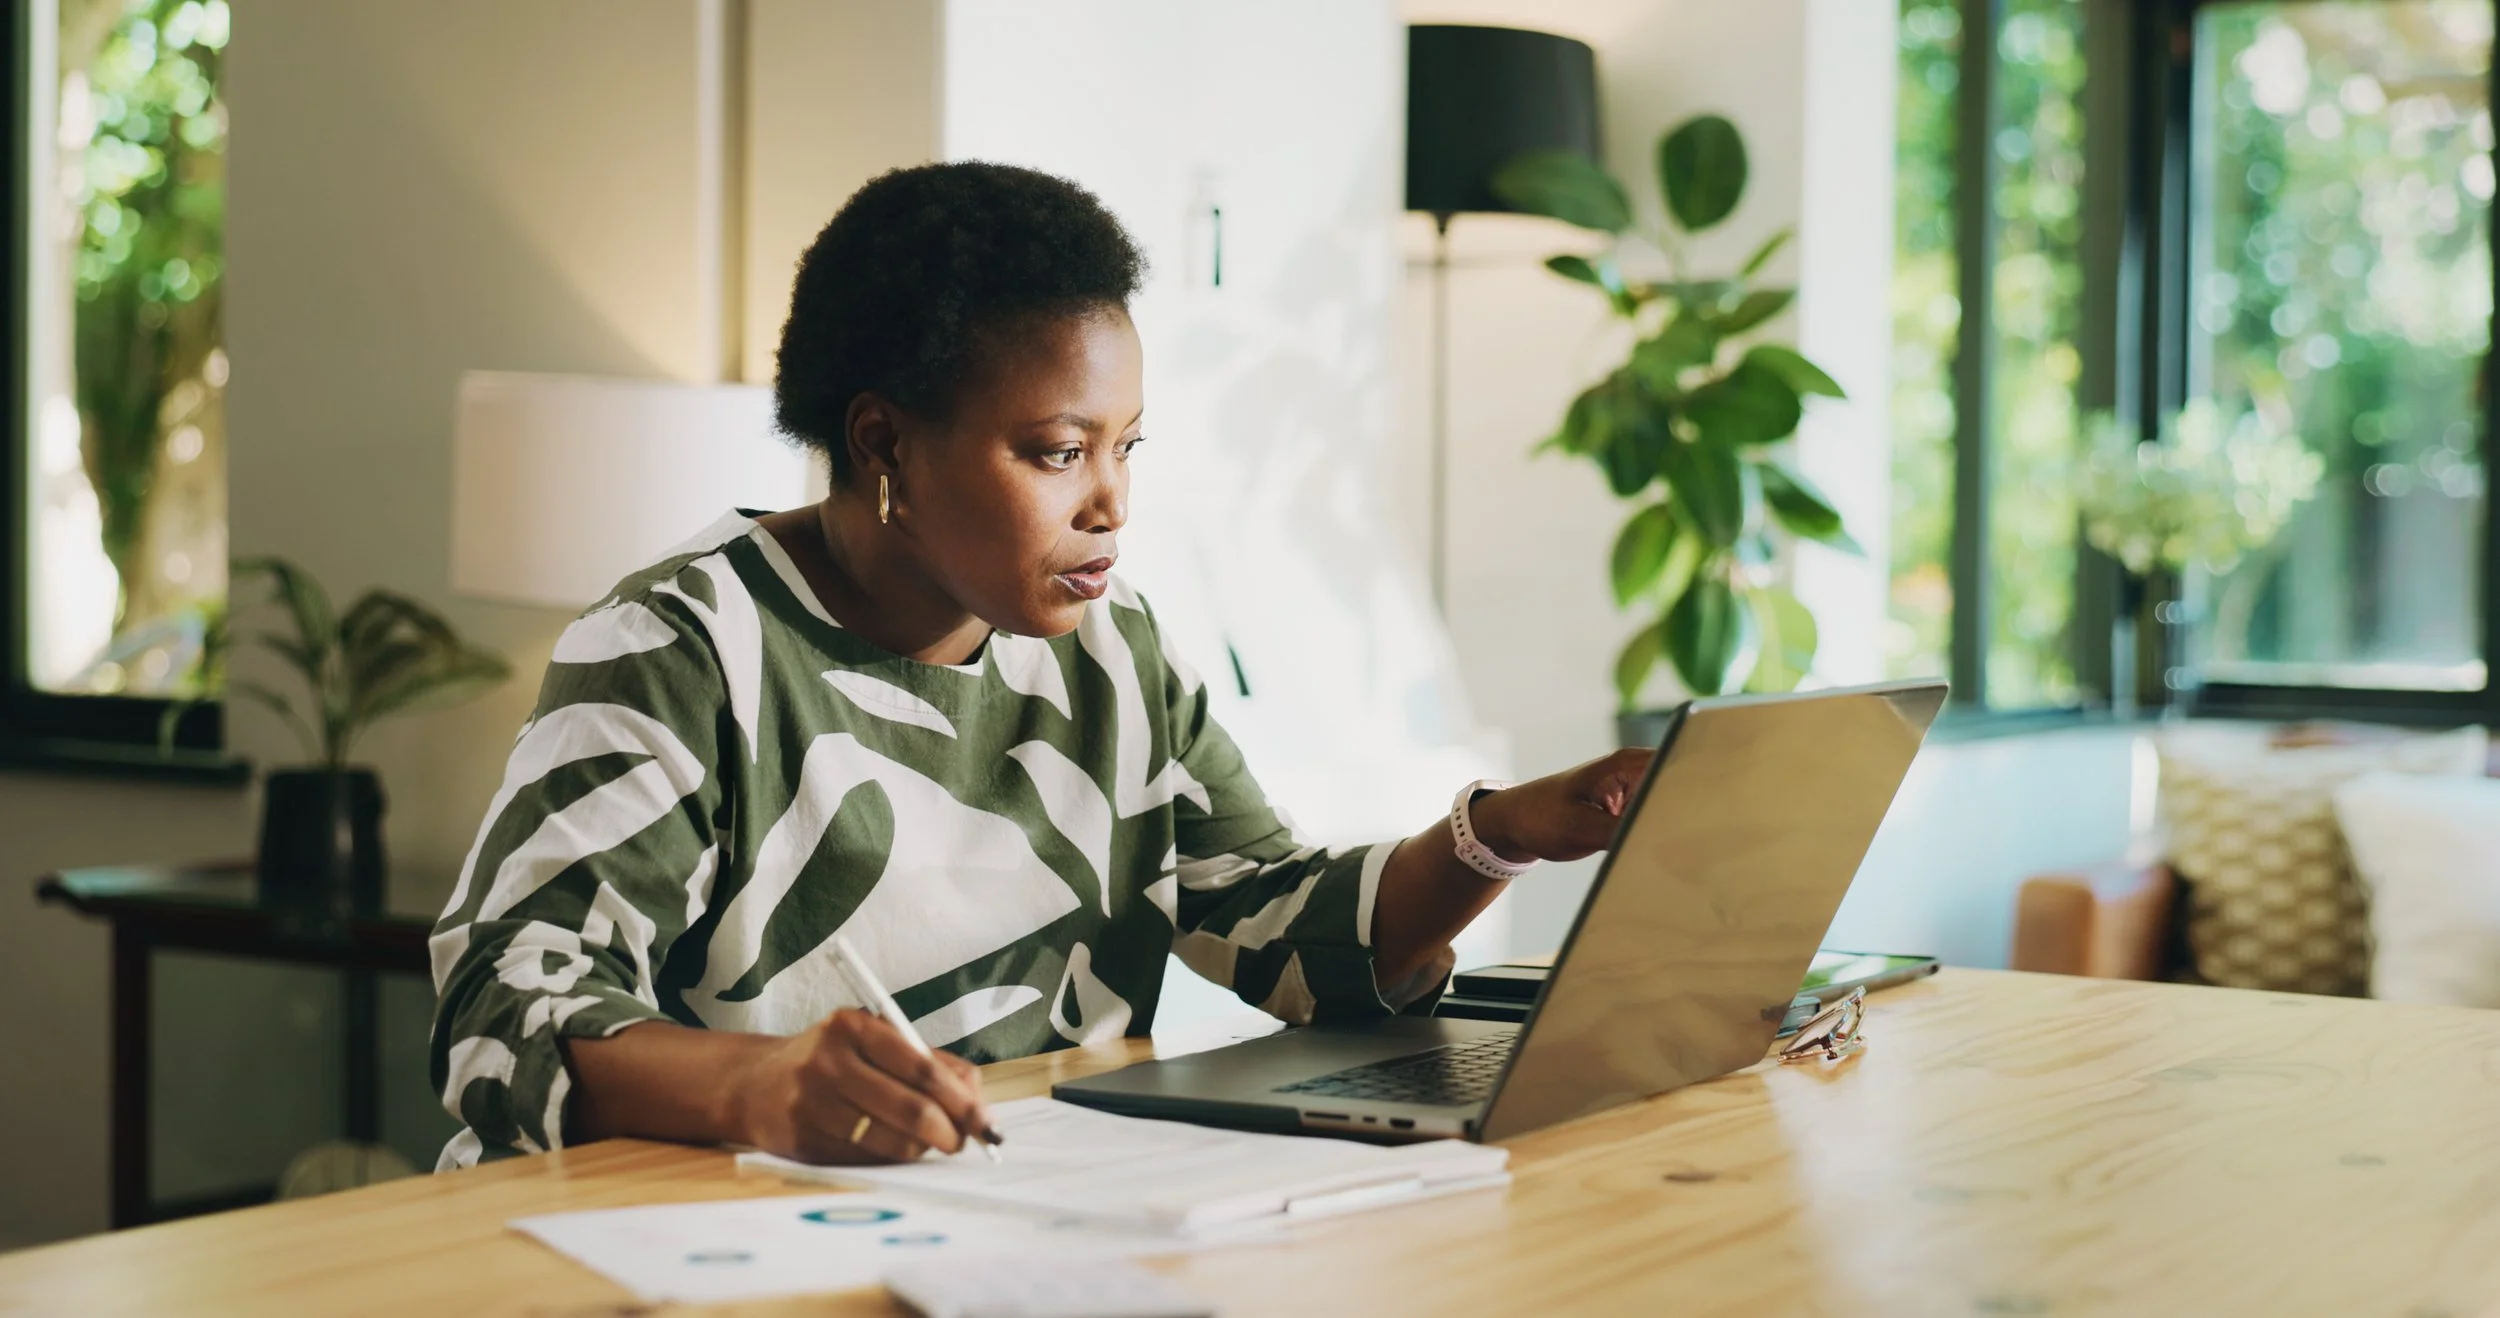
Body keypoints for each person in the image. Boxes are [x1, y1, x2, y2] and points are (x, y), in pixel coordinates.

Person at [426, 161, 1650, 1171]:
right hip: (691, 1249)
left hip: (1017, 1228)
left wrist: (1501, 832)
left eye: (1127, 447)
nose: (1112, 504)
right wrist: (756, 1086)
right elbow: (500, 1011)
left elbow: (1279, 933)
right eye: (1060, 451)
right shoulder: (683, 648)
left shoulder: (1114, 658)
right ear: (882, 441)